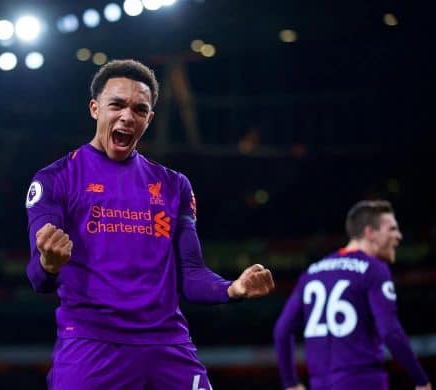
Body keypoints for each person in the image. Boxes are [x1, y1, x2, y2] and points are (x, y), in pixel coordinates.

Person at [25, 59, 276, 389]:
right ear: (94, 108)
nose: (128, 117)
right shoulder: (56, 178)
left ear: (150, 118)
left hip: (168, 344)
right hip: (92, 346)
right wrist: (49, 262)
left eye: (139, 109)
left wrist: (232, 288)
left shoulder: (174, 186)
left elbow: (192, 274)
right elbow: (38, 278)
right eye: (116, 105)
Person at [273, 200, 432, 390]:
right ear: (370, 232)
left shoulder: (312, 272)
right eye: (392, 229)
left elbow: (282, 330)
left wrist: (290, 383)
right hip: (362, 380)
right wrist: (421, 380)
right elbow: (390, 332)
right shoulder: (374, 269)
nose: (399, 236)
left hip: (320, 384)